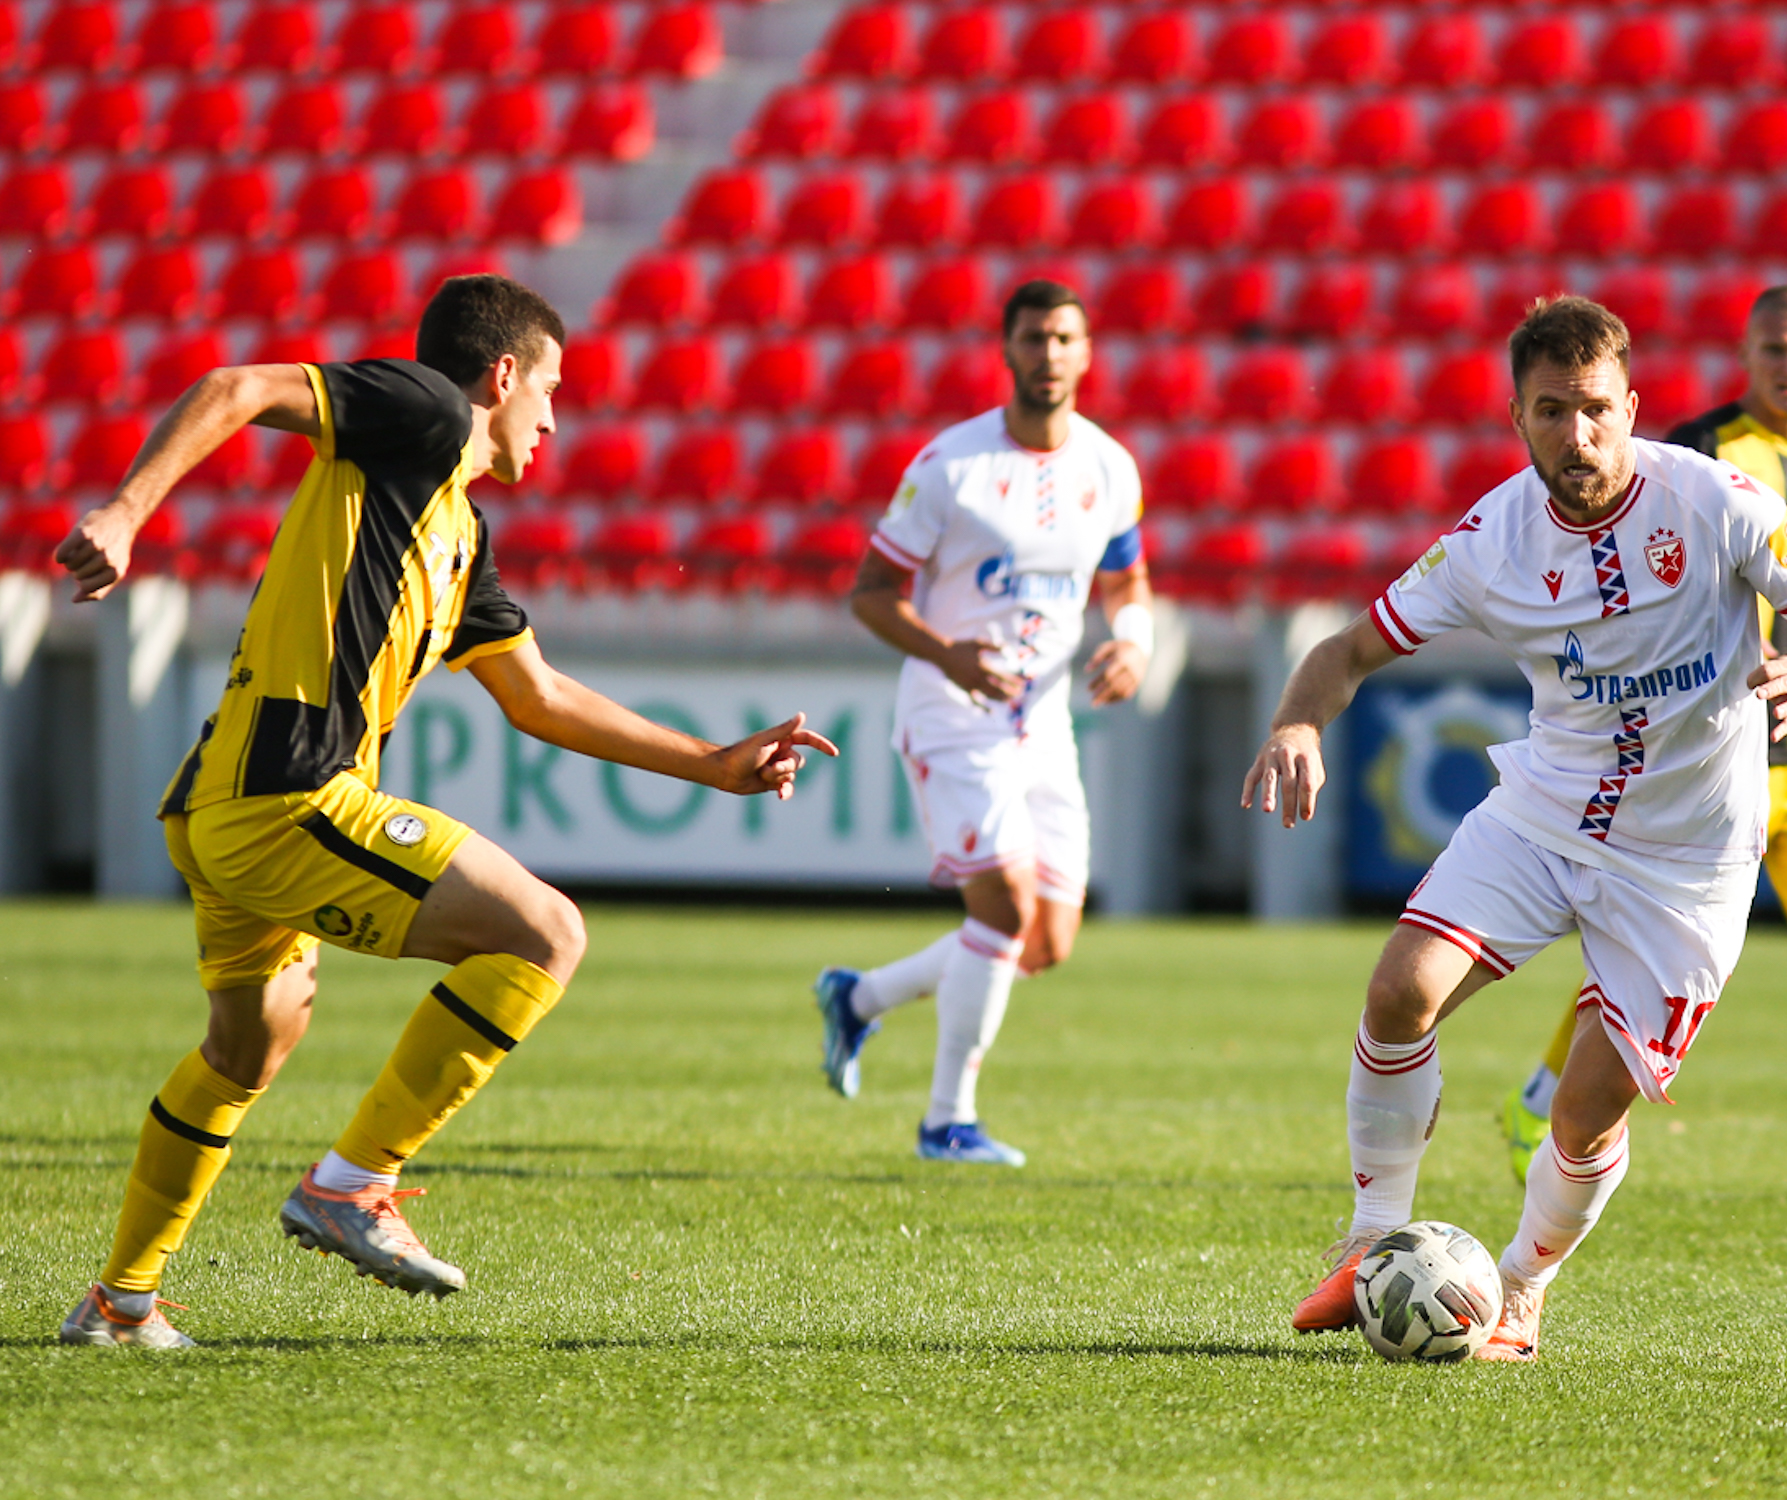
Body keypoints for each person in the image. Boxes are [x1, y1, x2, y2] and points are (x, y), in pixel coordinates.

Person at [53, 275, 837, 1348]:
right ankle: (352, 1185)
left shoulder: (456, 534)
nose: (555, 420)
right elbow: (236, 385)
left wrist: (715, 763)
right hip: (290, 795)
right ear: (503, 375)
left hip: (223, 809)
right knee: (546, 931)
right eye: (551, 389)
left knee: (246, 1051)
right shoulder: (424, 414)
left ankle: (119, 1304)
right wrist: (126, 510)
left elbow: (540, 696)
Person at [1244, 296, 1787, 1361]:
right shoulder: (1489, 541)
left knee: (1582, 1114)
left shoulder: (1714, 497)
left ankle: (1522, 1289)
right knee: (1398, 991)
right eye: (1549, 413)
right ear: (1515, 417)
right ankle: (1367, 1240)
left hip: (1688, 859)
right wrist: (1297, 717)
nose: (1574, 438)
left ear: (1630, 406)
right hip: (1544, 814)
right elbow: (1347, 649)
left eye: (1592, 411)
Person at [1497, 286, 1787, 1209]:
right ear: (1747, 352)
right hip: (1713, 759)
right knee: (1634, 956)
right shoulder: (1703, 453)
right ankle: (1538, 1104)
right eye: (1776, 348)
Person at [811, 280, 1152, 1166]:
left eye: (1065, 339)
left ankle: (860, 1000)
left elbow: (1125, 579)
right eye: (1034, 338)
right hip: (952, 713)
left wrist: (1135, 642)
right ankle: (945, 1124)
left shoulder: (1109, 466)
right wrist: (948, 653)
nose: (1049, 355)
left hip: (1043, 723)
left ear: (1086, 352)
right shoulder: (951, 466)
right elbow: (871, 594)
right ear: (1007, 350)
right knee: (1001, 908)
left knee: (1044, 941)